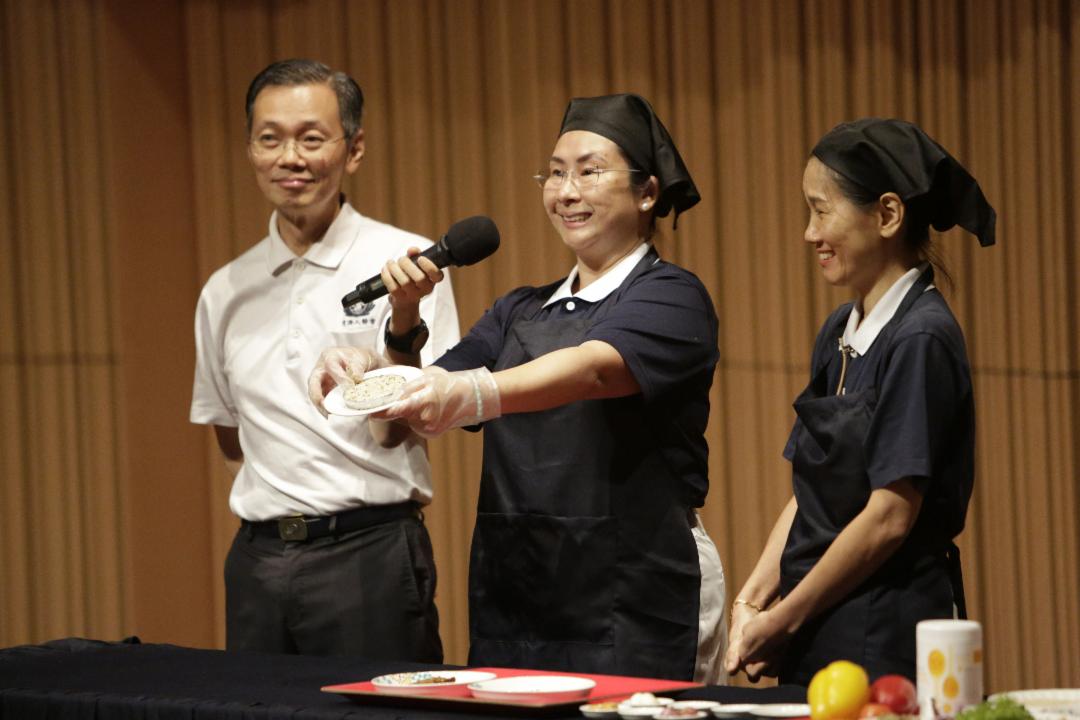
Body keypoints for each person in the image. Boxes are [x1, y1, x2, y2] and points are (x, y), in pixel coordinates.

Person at [311, 93, 727, 682]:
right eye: (555, 173)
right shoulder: (519, 310)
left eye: (589, 171)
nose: (566, 191)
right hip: (519, 588)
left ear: (647, 192)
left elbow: (592, 368)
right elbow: (415, 401)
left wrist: (472, 394)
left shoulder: (672, 295)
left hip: (637, 590)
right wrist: (382, 346)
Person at [190, 58, 459, 660]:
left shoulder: (406, 262)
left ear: (354, 148)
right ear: (250, 149)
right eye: (270, 139)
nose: (291, 157)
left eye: (312, 138)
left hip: (370, 553)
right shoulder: (223, 289)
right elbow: (229, 434)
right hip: (257, 559)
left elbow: (405, 428)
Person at [724, 118, 996, 684]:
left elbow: (890, 517)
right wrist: (752, 603)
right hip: (816, 619)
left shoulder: (920, 336)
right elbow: (810, 492)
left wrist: (784, 619)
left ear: (888, 215)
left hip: (883, 632)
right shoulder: (838, 332)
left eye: (822, 210)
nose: (808, 232)